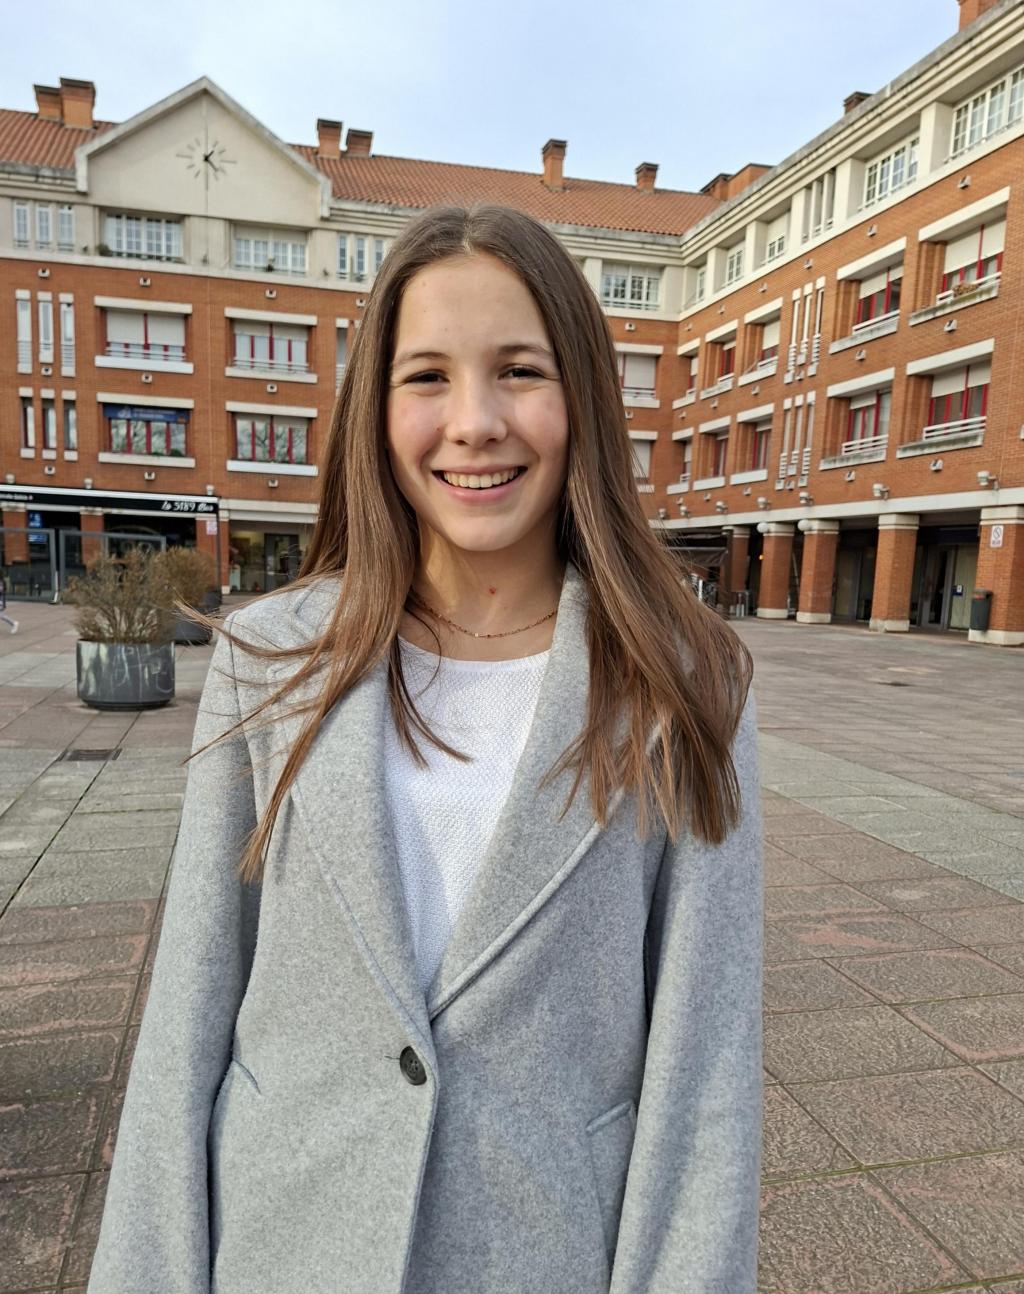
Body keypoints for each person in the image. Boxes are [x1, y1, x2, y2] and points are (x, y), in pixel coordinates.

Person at [87, 203, 763, 1293]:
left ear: (584, 398)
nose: (475, 421)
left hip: (543, 1254)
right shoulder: (270, 658)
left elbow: (706, 1067)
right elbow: (190, 1007)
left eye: (520, 371)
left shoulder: (684, 685)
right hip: (286, 1242)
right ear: (376, 408)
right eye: (427, 377)